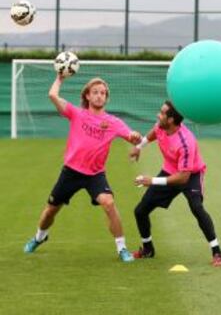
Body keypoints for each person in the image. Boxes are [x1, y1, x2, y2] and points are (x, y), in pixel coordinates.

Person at [24, 75, 141, 262]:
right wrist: (60, 78)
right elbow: (53, 95)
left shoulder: (113, 122)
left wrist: (135, 137)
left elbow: (131, 136)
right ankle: (39, 237)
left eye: (103, 93)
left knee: (109, 204)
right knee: (50, 212)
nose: (99, 96)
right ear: (87, 96)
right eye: (95, 92)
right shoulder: (76, 113)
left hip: (95, 175)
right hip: (70, 172)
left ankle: (122, 248)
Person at [129, 100, 221, 267]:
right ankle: (147, 249)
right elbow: (154, 132)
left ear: (171, 120)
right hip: (170, 170)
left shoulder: (185, 142)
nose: (158, 115)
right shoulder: (161, 125)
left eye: (161, 113)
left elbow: (183, 178)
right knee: (140, 211)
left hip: (191, 174)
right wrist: (139, 146)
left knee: (196, 207)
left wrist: (152, 180)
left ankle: (217, 252)